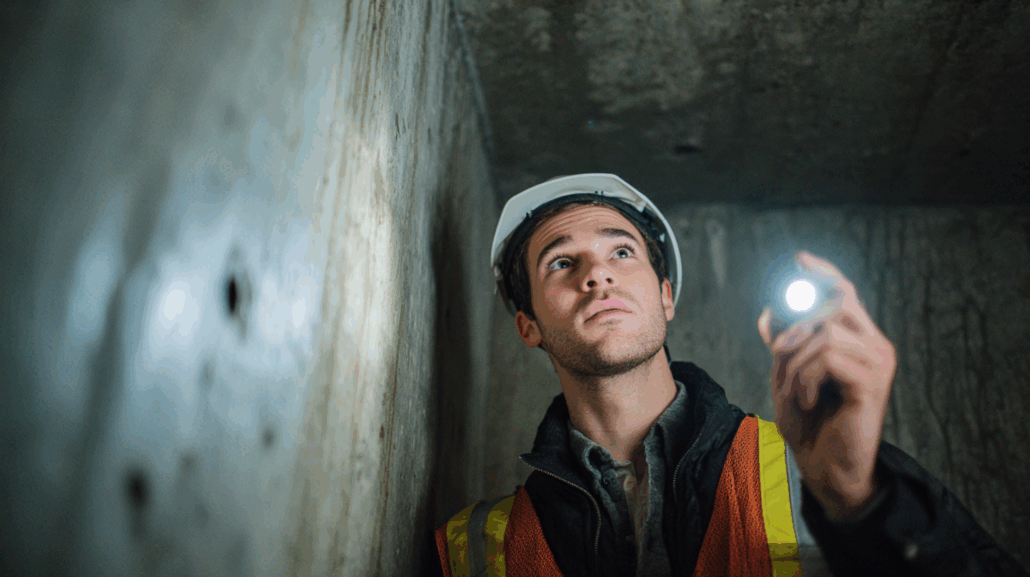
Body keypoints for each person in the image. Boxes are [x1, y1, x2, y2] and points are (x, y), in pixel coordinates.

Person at [427, 174, 1028, 577]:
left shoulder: (823, 468)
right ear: (528, 324)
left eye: (621, 252)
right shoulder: (476, 549)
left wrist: (858, 507)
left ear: (665, 296)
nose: (597, 275)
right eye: (562, 261)